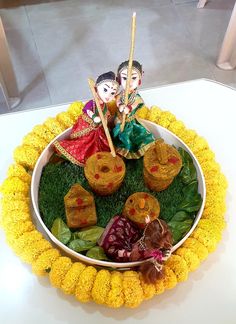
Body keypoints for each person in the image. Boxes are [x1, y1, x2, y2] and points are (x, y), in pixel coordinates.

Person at [54, 71, 119, 166]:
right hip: (88, 128)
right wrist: (93, 117)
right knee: (86, 144)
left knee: (102, 144)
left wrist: (105, 120)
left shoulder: (104, 106)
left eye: (112, 92)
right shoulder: (92, 103)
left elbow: (106, 114)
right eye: (105, 90)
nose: (108, 96)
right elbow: (86, 109)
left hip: (99, 130)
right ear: (96, 89)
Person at [113, 60, 155, 159]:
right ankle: (118, 152)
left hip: (130, 122)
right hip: (118, 120)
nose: (129, 82)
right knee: (116, 134)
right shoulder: (120, 94)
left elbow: (136, 104)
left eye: (134, 78)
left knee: (128, 136)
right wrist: (120, 105)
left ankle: (129, 153)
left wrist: (129, 108)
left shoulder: (136, 97)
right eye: (124, 78)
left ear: (140, 79)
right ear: (119, 79)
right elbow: (118, 100)